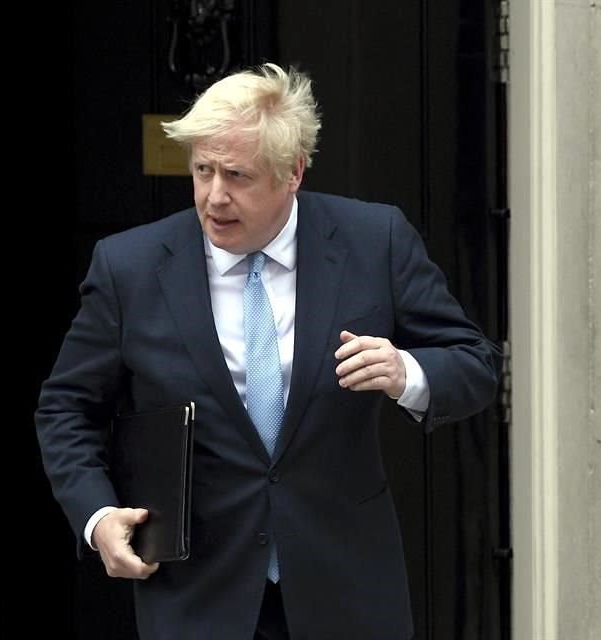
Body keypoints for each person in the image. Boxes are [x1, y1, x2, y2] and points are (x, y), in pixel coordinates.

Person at [35, 62, 500, 640]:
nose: (214, 197)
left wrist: (406, 370)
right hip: (198, 595)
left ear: (293, 172)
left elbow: (476, 363)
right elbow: (66, 409)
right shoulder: (129, 267)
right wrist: (98, 517)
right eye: (202, 171)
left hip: (346, 590)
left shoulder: (373, 240)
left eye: (237, 175)